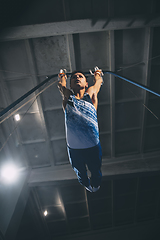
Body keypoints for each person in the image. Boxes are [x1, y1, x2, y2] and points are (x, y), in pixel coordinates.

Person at [58, 67, 103, 192]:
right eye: (74, 77)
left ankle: (96, 185)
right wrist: (62, 76)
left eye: (80, 76)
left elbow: (98, 82)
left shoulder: (91, 94)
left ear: (86, 83)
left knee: (95, 170)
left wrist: (98, 73)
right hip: (75, 147)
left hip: (92, 144)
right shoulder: (68, 97)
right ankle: (86, 184)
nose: (77, 78)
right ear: (71, 85)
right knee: (80, 173)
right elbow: (61, 86)